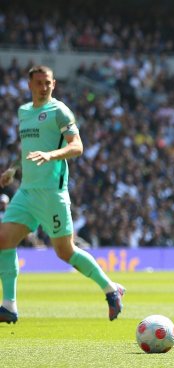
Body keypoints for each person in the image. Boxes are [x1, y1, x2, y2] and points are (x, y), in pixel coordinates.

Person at [0, 65, 125, 324]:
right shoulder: (24, 112)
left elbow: (77, 146)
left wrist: (51, 155)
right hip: (26, 192)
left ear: (53, 84)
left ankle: (110, 289)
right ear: (29, 85)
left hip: (51, 193)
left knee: (65, 251)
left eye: (47, 83)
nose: (43, 87)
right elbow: (26, 147)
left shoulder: (59, 111)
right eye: (38, 83)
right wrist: (13, 168)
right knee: (3, 240)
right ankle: (9, 306)